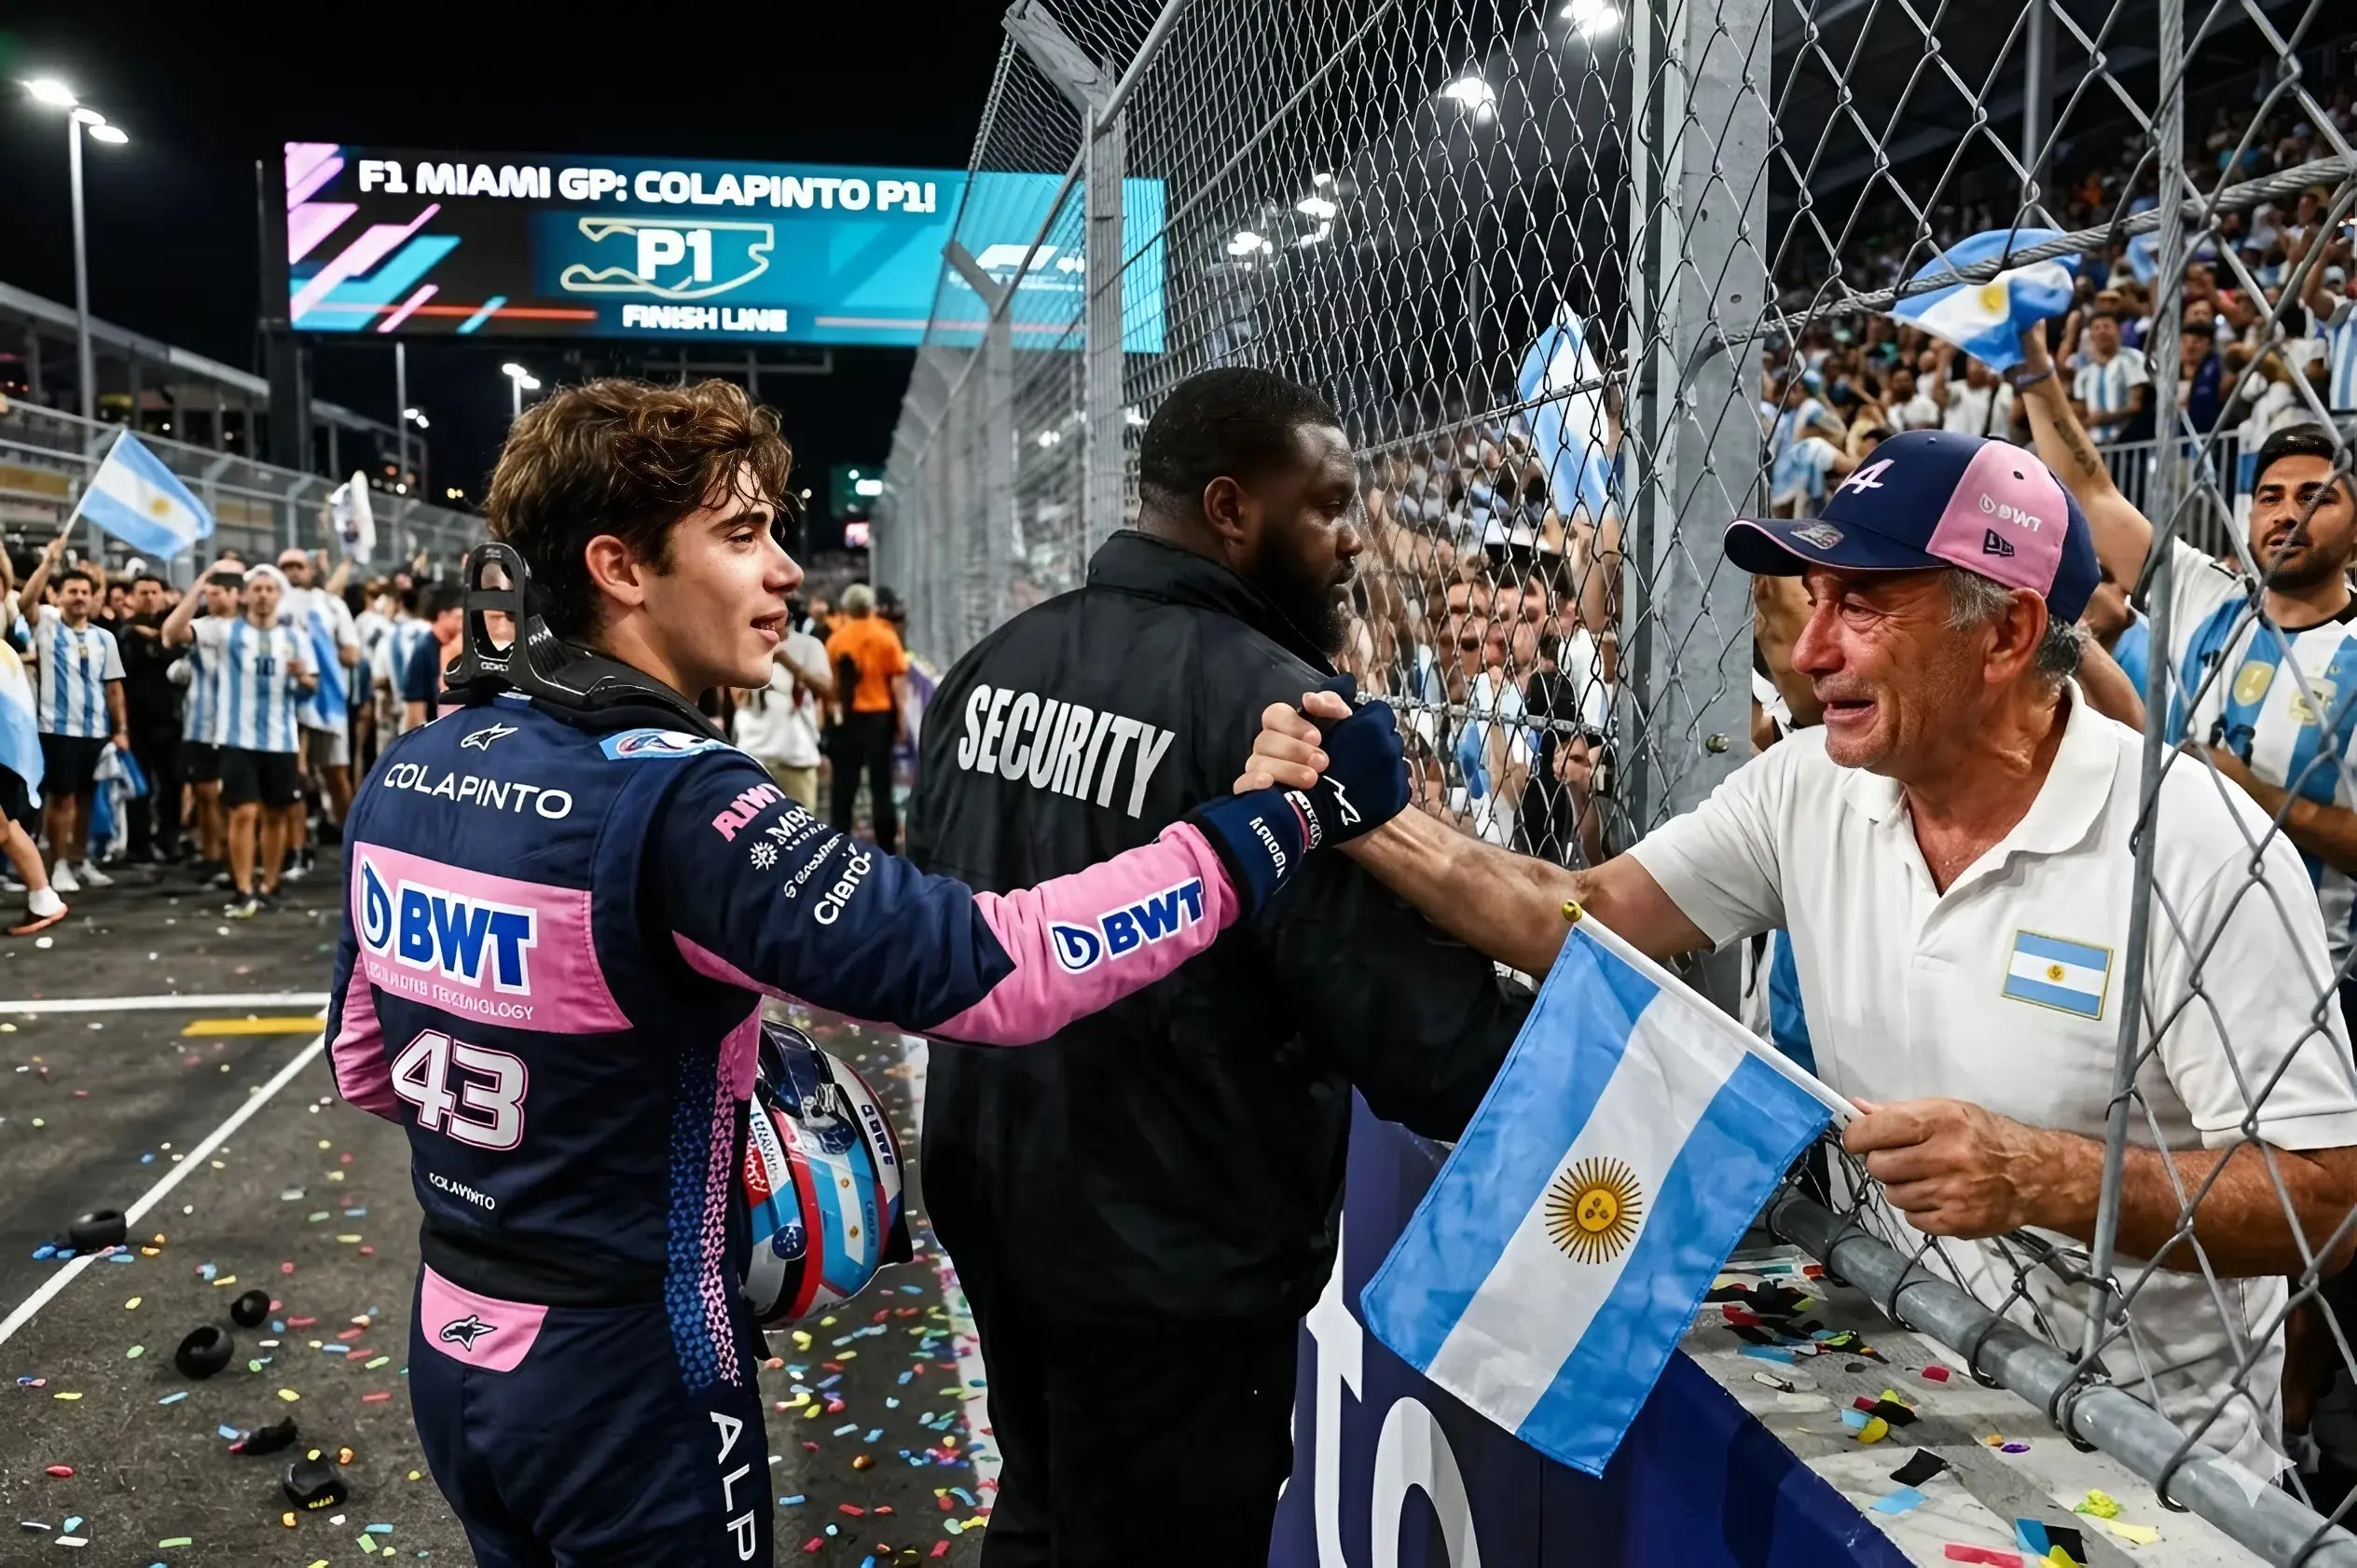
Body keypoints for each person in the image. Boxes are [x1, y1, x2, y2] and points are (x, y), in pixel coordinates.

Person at [323, 377, 1407, 1568]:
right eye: (742, 536)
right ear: (619, 568)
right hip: (630, 1363)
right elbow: (991, 968)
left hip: (455, 1340)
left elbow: (369, 1066)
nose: (786, 570)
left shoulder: (414, 764)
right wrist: (1254, 837)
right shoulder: (679, 800)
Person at [1244, 428, 2357, 1476]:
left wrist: (2048, 1176)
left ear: (2006, 634)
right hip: (1905, 1381)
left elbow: (2330, 1201)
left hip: (2141, 1458)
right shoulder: (1812, 783)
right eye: (1815, 598)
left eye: (1862, 606)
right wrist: (1357, 813)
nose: (1812, 647)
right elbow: (1575, 908)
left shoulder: (2195, 843)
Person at [905, 366, 1525, 1567]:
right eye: (1328, 505)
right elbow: (1423, 1039)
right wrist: (1652, 1085)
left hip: (994, 1183)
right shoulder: (1280, 715)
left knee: (1038, 1514)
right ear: (1234, 509)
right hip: (1171, 1245)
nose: (1355, 540)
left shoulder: (991, 663)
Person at [2013, 324, 2357, 1030]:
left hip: (2305, 980)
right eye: (2270, 496)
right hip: (2161, 948)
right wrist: (2034, 369)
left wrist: (2255, 794)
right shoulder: (2208, 597)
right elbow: (2090, 489)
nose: (2287, 512)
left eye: (2318, 498)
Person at [162, 561, 314, 917]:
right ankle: (243, 887)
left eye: (269, 589)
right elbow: (172, 631)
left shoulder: (294, 638)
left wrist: (303, 678)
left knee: (276, 816)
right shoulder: (225, 632)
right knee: (243, 813)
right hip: (236, 738)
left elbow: (310, 692)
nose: (262, 595)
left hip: (281, 740)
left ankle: (269, 885)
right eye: (256, 589)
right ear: (245, 595)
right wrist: (202, 584)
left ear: (278, 595)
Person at [17, 534, 127, 891]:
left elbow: (113, 688)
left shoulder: (104, 639)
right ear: (59, 595)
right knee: (61, 799)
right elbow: (24, 602)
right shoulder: (46, 623)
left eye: (85, 592)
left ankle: (82, 861)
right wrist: (48, 563)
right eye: (72, 591)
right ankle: (58, 864)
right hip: (56, 729)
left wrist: (120, 728)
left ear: (94, 597)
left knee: (87, 798)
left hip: (95, 730)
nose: (79, 597)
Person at [278, 548, 362, 876]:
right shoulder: (275, 601)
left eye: (298, 565)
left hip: (329, 702)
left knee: (336, 776)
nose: (292, 571)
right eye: (286, 566)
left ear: (310, 569)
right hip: (289, 702)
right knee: (295, 777)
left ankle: (355, 840)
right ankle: (297, 849)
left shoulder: (331, 605)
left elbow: (352, 653)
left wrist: (327, 655)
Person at [825, 583, 907, 851]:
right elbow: (897, 685)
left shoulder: (837, 639)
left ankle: (840, 841)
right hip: (879, 718)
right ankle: (887, 846)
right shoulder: (886, 636)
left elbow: (833, 686)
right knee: (881, 786)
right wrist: (901, 722)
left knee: (843, 786)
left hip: (848, 718)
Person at [173, 568, 242, 886]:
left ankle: (235, 860)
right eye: (209, 593)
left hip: (236, 725)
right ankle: (212, 857)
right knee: (203, 793)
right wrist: (198, 586)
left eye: (218, 592)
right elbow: (171, 633)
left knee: (231, 798)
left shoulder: (249, 629)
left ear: (235, 594)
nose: (212, 597)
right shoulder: (202, 626)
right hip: (199, 724)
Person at [730, 610, 831, 811]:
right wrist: (765, 660)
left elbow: (825, 687)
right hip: (754, 756)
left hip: (797, 757)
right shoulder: (744, 644)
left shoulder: (808, 646)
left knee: (802, 834)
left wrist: (790, 664)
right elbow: (738, 698)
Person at [117, 573, 184, 864]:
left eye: (154, 591)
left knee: (172, 784)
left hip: (170, 719)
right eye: (142, 592)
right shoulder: (122, 634)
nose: (149, 597)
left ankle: (170, 839)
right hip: (136, 721)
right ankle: (138, 842)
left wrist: (158, 638)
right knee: (138, 786)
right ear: (132, 597)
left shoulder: (176, 630)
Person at [2067, 309, 2153, 445]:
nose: (2101, 331)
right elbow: (2080, 411)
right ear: (2091, 336)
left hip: (2126, 442)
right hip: (2093, 444)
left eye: (2106, 327)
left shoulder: (2133, 359)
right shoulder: (2084, 372)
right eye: (2097, 328)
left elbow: (2135, 405)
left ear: (2119, 331)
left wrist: (2105, 418)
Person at [401, 585, 464, 731]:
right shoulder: (423, 649)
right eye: (459, 617)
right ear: (443, 616)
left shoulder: (458, 647)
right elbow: (415, 711)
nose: (463, 623)